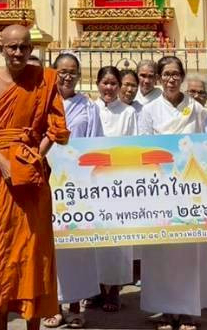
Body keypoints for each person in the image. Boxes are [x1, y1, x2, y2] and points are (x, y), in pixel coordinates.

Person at [0, 24, 69, 330]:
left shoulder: (45, 79)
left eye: (23, 48)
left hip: (31, 174)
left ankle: (33, 324)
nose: (17, 53)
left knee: (33, 246)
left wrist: (35, 156)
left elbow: (55, 127)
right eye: (12, 47)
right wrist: (2, 163)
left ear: (31, 50)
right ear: (0, 48)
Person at [137, 55, 207, 330]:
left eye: (175, 74)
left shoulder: (195, 108)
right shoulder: (149, 111)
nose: (171, 79)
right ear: (159, 78)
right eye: (166, 74)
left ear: (182, 77)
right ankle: (164, 309)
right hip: (160, 189)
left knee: (188, 253)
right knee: (160, 253)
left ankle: (186, 311)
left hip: (189, 192)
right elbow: (144, 149)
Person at [47, 53, 101, 329]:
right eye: (63, 71)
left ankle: (76, 304)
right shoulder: (43, 102)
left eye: (73, 72)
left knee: (78, 245)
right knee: (51, 245)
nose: (67, 77)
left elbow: (95, 144)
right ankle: (53, 304)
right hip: (46, 180)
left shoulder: (88, 107)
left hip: (78, 184)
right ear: (53, 72)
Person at [92, 65, 136, 312]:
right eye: (105, 83)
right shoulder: (91, 109)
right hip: (93, 181)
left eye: (113, 84)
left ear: (120, 87)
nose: (109, 88)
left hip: (119, 181)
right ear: (98, 84)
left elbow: (133, 144)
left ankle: (115, 290)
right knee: (95, 237)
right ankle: (97, 288)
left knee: (118, 240)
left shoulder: (128, 113)